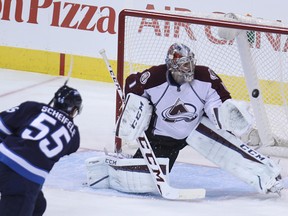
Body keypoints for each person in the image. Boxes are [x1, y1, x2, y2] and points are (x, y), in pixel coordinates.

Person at [85, 43, 283, 196]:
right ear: (171, 65)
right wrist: (133, 107)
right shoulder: (154, 77)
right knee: (145, 180)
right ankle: (108, 168)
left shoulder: (206, 77)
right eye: (183, 64)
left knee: (230, 151)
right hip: (162, 138)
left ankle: (268, 178)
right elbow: (131, 84)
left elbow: (219, 101)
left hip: (197, 128)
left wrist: (225, 115)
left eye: (190, 62)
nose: (188, 68)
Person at [0, 85, 82, 216]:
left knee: (39, 205)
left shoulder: (32, 107)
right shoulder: (75, 137)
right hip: (25, 180)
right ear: (74, 109)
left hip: (3, 161)